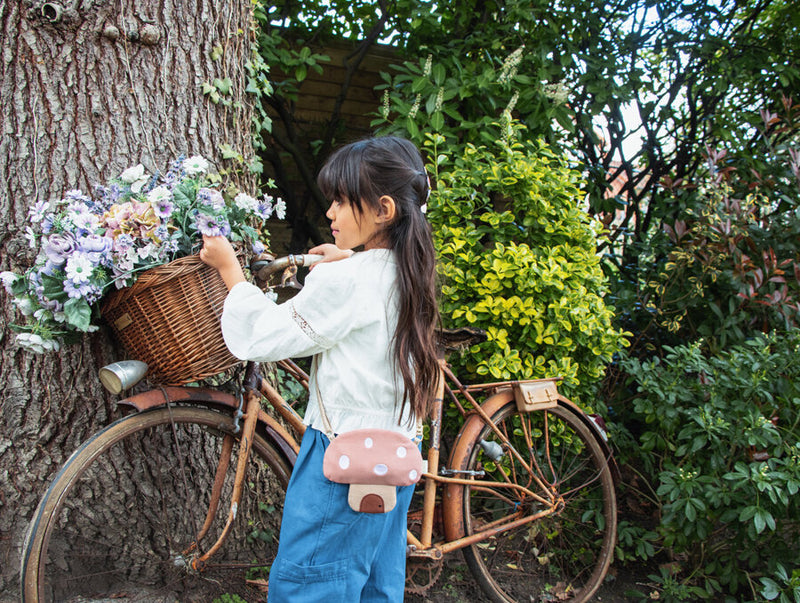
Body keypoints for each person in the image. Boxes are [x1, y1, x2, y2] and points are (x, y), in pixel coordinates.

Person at [200, 135, 440, 601]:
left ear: (382, 210)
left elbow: (262, 336)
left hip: (342, 459)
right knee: (373, 582)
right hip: (394, 455)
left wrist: (230, 270)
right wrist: (344, 261)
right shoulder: (406, 271)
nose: (329, 212)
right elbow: (365, 291)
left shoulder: (350, 279)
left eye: (340, 201)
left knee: (310, 585)